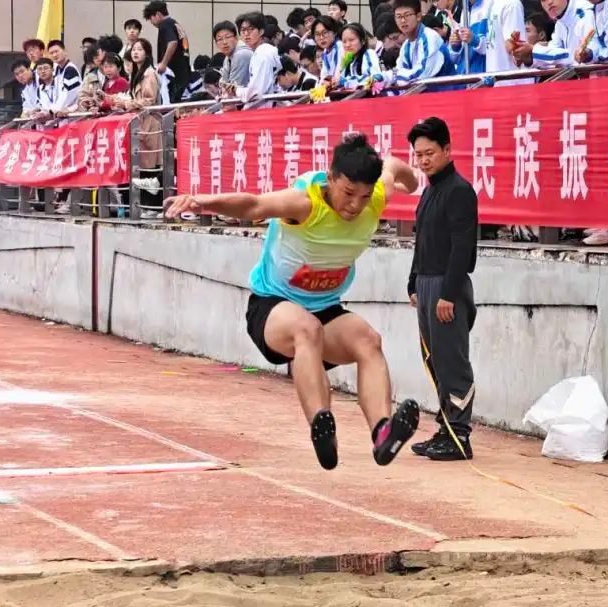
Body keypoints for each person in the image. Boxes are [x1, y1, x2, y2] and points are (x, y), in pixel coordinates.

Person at [164, 134, 422, 471]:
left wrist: (412, 183)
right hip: (273, 307)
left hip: (326, 309)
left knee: (368, 340)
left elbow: (393, 166)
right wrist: (201, 201)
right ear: (331, 179)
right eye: (347, 194)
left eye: (362, 196)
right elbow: (253, 205)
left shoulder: (375, 196)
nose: (354, 206)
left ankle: (382, 433)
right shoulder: (305, 204)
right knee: (306, 329)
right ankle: (321, 427)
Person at [406, 118, 478, 461]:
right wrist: (413, 282)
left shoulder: (459, 191)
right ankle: (446, 427)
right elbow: (422, 241)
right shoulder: (429, 191)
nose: (423, 161)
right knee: (434, 359)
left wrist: (448, 294)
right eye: (418, 155)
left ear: (447, 150)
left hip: (447, 287)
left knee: (452, 361)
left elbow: (462, 248)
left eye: (430, 153)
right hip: (426, 283)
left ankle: (459, 435)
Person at [111, 39, 164, 217]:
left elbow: (148, 100)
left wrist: (127, 104)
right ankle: (147, 206)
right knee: (142, 165)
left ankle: (154, 207)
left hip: (150, 122)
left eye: (140, 49)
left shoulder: (149, 73)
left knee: (151, 166)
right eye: (134, 49)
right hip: (140, 122)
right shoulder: (137, 73)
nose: (135, 52)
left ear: (147, 53)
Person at [143, 0, 191, 103]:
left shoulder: (165, 24)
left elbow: (173, 42)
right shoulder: (174, 23)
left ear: (158, 14)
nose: (151, 22)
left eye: (151, 18)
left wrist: (163, 63)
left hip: (174, 74)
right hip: (183, 72)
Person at [235, 12, 283, 108]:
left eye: (250, 29)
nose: (246, 34)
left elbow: (255, 93)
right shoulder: (265, 50)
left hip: (266, 110)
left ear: (261, 31)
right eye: (243, 30)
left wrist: (236, 90)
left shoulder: (262, 53)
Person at [334, 22, 382, 88]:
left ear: (362, 40)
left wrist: (345, 81)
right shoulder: (347, 59)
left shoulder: (369, 54)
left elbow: (376, 78)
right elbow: (338, 79)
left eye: (351, 40)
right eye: (344, 42)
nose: (347, 45)